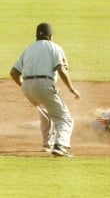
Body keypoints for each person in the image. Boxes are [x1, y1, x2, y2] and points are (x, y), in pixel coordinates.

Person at [10, 22, 81, 157]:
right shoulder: (54, 48)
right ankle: (61, 145)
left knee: (45, 111)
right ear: (51, 36)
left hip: (27, 86)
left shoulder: (28, 49)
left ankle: (47, 144)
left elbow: (13, 72)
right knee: (64, 118)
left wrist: (27, 87)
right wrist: (72, 89)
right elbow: (61, 69)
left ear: (36, 35)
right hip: (44, 84)